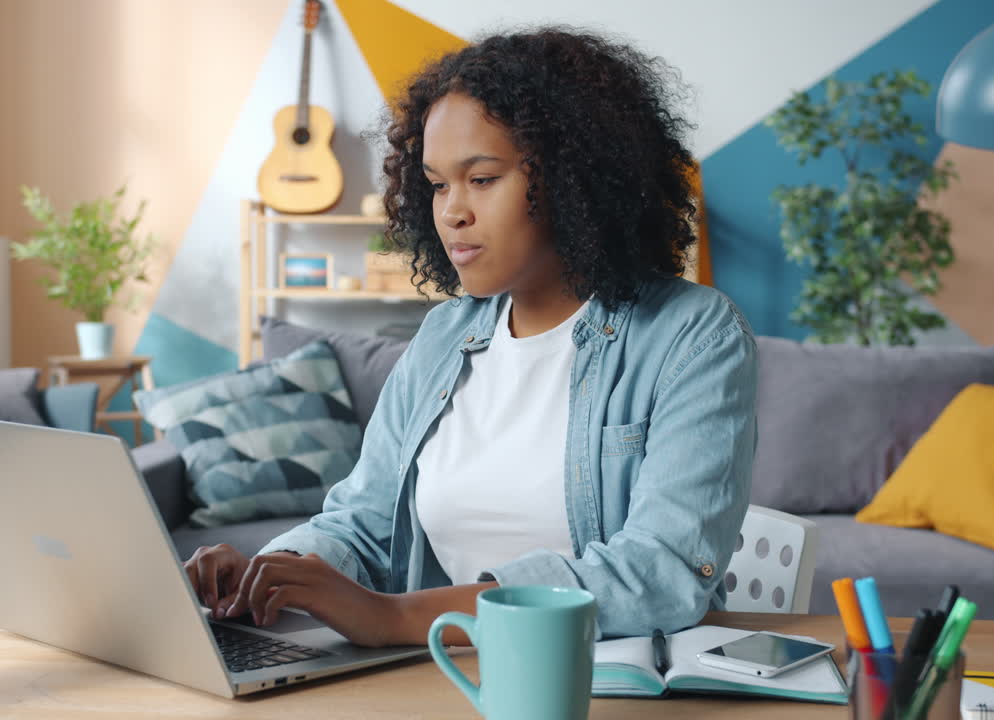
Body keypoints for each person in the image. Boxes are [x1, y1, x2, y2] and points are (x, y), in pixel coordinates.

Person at [184, 27, 758, 647]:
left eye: (482, 179)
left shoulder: (692, 336)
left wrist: (397, 618)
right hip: (449, 673)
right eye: (437, 184)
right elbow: (365, 524)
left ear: (575, 180)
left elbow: (660, 572)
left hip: (611, 680)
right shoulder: (443, 335)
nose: (452, 212)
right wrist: (271, 574)